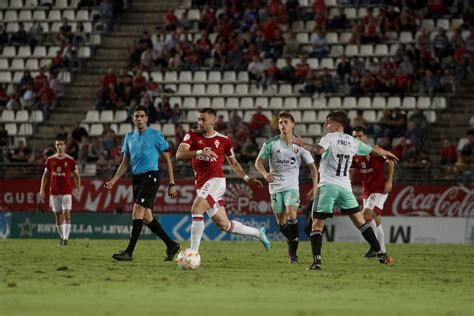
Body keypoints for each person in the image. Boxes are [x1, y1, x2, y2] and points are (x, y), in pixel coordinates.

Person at [292, 111, 398, 270]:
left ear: (336, 125)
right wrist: (388, 153)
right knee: (361, 222)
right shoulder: (352, 141)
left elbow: (319, 150)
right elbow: (374, 150)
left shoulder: (330, 137)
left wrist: (301, 143)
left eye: (327, 123)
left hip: (328, 185)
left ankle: (317, 261)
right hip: (345, 188)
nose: (325, 126)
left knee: (317, 224)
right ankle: (381, 253)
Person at [175, 108, 271, 253]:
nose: (200, 122)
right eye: (199, 119)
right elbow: (179, 155)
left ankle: (193, 253)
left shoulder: (224, 140)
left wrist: (246, 178)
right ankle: (258, 233)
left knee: (196, 208)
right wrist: (200, 151)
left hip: (216, 181)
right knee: (225, 225)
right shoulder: (192, 135)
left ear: (213, 121)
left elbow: (234, 164)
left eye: (203, 119)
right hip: (201, 184)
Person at [105, 105, 180, 262]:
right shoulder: (129, 136)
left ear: (146, 118)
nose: (139, 119)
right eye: (136, 116)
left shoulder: (155, 135)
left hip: (151, 177)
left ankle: (129, 252)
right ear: (133, 118)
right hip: (137, 179)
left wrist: (172, 183)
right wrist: (113, 180)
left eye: (141, 116)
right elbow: (125, 163)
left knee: (137, 211)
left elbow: (167, 159)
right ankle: (171, 245)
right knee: (146, 217)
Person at [255, 112, 318, 263]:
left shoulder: (300, 145)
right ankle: (292, 241)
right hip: (275, 187)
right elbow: (258, 162)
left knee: (291, 214)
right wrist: (265, 174)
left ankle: (293, 253)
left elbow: (313, 168)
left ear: (293, 125)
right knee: (282, 222)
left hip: (292, 186)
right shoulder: (271, 143)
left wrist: (315, 186)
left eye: (286, 122)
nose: (283, 125)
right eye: (281, 122)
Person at [351, 126, 395, 258]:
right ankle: (379, 249)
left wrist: (389, 182)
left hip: (379, 189)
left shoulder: (375, 150)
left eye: (359, 136)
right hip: (367, 191)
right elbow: (351, 169)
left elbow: (391, 161)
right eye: (354, 136)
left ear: (365, 137)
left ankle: (377, 249)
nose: (357, 139)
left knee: (365, 216)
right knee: (374, 220)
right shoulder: (354, 153)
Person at [39, 137, 81, 246]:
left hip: (66, 192)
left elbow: (77, 176)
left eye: (61, 144)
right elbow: (46, 175)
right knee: (58, 216)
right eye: (57, 144)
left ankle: (66, 239)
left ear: (65, 146)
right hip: (54, 192)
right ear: (55, 146)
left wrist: (78, 189)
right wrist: (42, 189)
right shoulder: (50, 160)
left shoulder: (70, 160)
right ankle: (62, 237)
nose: (59, 146)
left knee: (66, 213)